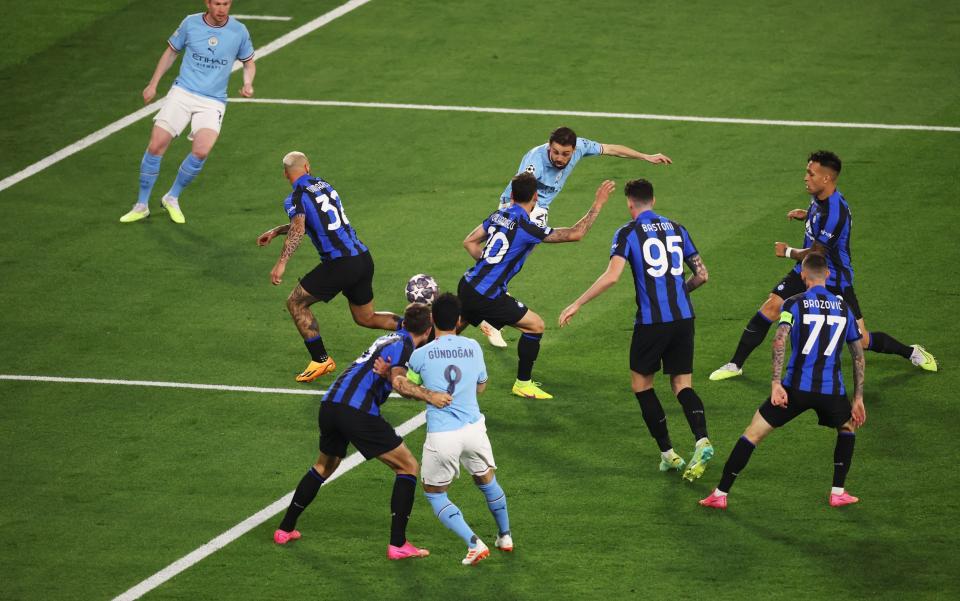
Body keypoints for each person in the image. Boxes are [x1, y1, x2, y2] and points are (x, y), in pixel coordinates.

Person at [709, 150, 937, 381]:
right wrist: (807, 215)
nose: (805, 178)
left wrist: (787, 251)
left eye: (811, 173)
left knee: (861, 338)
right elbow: (819, 221)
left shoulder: (835, 213)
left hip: (834, 278)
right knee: (770, 307)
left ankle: (912, 352)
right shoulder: (820, 197)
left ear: (826, 178)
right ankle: (735, 364)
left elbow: (817, 253)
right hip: (806, 272)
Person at [273, 303, 454, 560]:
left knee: (324, 466)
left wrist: (389, 376)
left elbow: (391, 372)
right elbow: (401, 383)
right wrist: (430, 395)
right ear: (427, 331)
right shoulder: (404, 346)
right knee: (408, 466)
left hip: (330, 404)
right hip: (356, 411)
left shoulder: (388, 338)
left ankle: (285, 529)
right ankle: (398, 544)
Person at [559, 179, 713, 481]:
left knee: (642, 386)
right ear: (653, 201)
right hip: (684, 318)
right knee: (683, 386)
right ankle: (701, 439)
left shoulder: (627, 233)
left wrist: (578, 303)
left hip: (651, 323)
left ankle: (668, 453)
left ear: (630, 203)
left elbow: (612, 276)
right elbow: (703, 275)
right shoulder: (678, 228)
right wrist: (678, 292)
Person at [480, 127, 672, 348]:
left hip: (539, 207)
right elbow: (519, 191)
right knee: (509, 257)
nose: (560, 158)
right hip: (518, 205)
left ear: (573, 149)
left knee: (514, 259)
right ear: (549, 146)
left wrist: (645, 156)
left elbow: (610, 149)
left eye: (566, 154)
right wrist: (514, 221)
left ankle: (492, 300)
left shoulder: (581, 146)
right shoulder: (534, 163)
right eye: (556, 152)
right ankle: (492, 314)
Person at [700, 254, 866, 509]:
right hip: (832, 391)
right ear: (828, 275)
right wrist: (858, 398)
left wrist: (776, 383)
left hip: (795, 389)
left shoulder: (794, 303)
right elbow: (858, 355)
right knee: (847, 428)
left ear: (802, 275)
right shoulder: (845, 308)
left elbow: (779, 339)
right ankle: (838, 492)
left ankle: (720, 494)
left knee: (753, 434)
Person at [460, 172, 615, 400]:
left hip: (467, 284)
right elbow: (576, 233)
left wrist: (488, 266)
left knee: (450, 328)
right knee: (535, 326)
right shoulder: (528, 228)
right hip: (487, 295)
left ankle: (413, 368)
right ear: (535, 197)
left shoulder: (499, 214)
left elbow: (469, 241)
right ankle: (523, 383)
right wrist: (598, 203)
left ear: (511, 195)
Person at [257, 152, 401, 383]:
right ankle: (416, 329)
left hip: (340, 264)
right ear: (307, 166)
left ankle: (321, 359)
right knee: (366, 317)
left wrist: (281, 263)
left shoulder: (295, 197)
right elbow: (315, 220)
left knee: (295, 302)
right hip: (363, 258)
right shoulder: (323, 185)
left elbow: (298, 228)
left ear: (286, 174)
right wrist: (276, 231)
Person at [120, 0, 255, 224]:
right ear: (208, 3)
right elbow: (171, 53)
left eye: (227, 4)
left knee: (202, 151)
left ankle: (172, 197)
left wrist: (248, 83)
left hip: (213, 101)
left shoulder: (238, 31)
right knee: (156, 145)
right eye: (218, 4)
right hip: (182, 93)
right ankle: (141, 204)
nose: (222, 9)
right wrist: (153, 84)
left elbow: (249, 63)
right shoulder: (191, 23)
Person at [402, 293, 513, 565]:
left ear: (431, 320)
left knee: (434, 492)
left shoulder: (420, 355)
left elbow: (409, 389)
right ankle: (505, 535)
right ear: (459, 320)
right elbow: (481, 386)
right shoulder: (473, 346)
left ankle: (474, 543)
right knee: (487, 480)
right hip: (474, 429)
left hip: (443, 434)